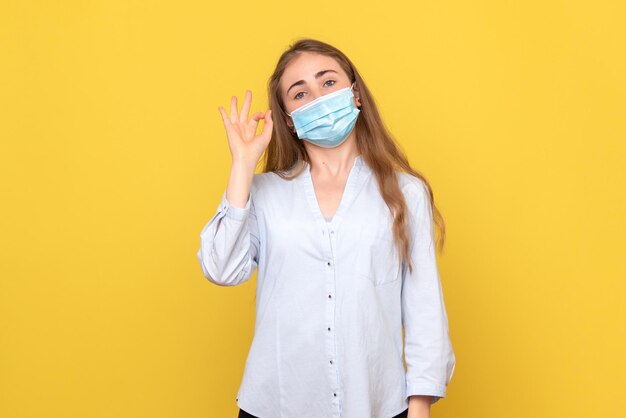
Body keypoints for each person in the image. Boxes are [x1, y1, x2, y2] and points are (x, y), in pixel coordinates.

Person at [197, 38, 456, 418]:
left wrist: (419, 408)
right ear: (288, 118)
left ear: (355, 93)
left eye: (328, 82)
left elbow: (424, 309)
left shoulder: (405, 193)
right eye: (300, 93)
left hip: (374, 405)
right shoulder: (266, 194)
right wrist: (241, 166)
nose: (317, 97)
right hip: (275, 405)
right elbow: (220, 268)